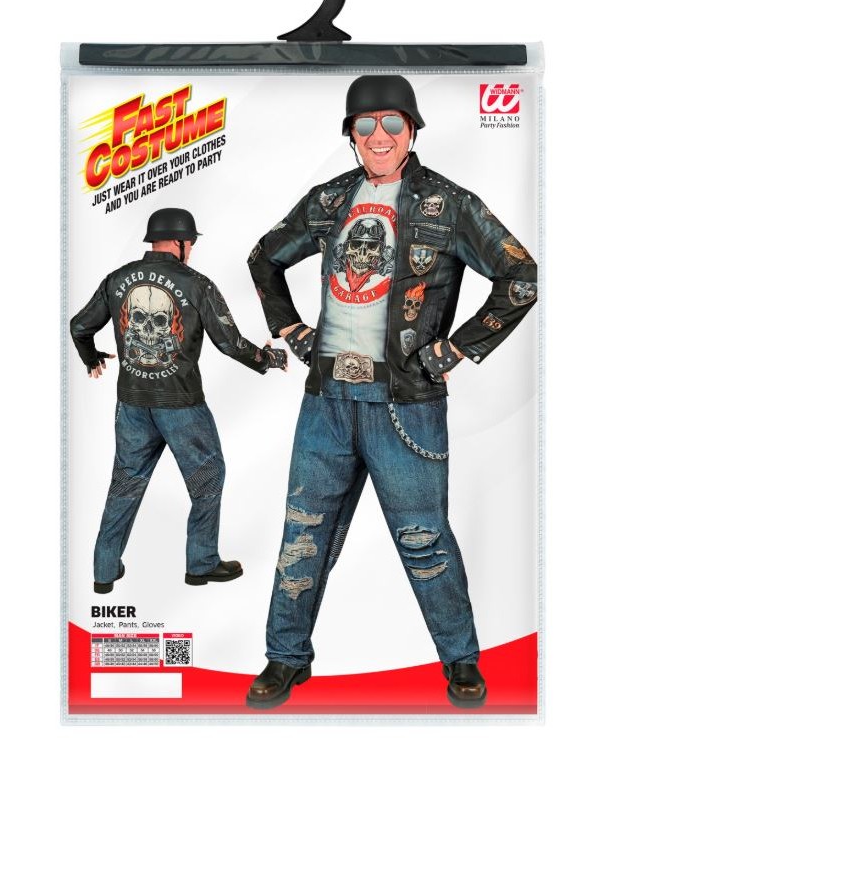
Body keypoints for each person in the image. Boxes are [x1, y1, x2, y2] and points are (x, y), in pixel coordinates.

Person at [245, 75, 537, 709]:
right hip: (325, 404)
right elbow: (264, 257)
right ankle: (284, 657)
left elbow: (521, 277)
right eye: (366, 125)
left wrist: (456, 349)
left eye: (393, 124)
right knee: (302, 534)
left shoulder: (449, 204)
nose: (379, 136)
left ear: (412, 130)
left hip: (407, 406)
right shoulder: (329, 200)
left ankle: (461, 660)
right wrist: (291, 331)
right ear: (350, 134)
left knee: (424, 538)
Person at [70, 207, 286, 592]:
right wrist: (267, 359)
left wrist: (91, 357)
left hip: (131, 404)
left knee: (125, 484)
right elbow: (230, 344)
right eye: (192, 243)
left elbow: (79, 326)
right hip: (181, 406)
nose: (193, 249)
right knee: (208, 478)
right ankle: (201, 564)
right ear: (180, 242)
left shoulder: (116, 280)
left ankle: (104, 572)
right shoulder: (196, 284)